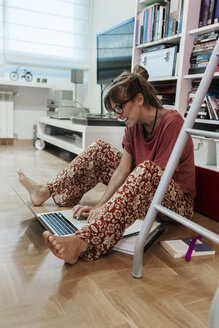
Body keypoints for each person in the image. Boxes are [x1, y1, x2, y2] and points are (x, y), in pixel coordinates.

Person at [18, 65, 196, 265]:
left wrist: (107, 209)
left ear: (139, 99)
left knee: (146, 169)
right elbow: (123, 169)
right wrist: (101, 206)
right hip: (145, 188)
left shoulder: (172, 122)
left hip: (177, 204)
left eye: (119, 108)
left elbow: (157, 178)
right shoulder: (132, 123)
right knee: (100, 149)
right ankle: (45, 190)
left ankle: (82, 242)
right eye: (113, 111)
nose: (118, 116)